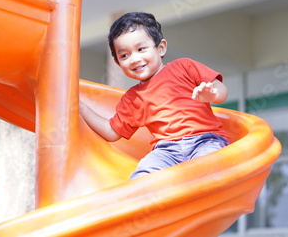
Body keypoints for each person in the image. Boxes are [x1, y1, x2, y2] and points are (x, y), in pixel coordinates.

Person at [80, 12, 230, 180]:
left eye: (141, 49)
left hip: (205, 140)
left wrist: (212, 95)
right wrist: (82, 108)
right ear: (117, 63)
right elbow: (111, 131)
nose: (135, 59)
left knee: (207, 168)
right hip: (165, 151)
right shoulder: (132, 99)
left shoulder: (184, 67)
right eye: (125, 55)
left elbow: (220, 89)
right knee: (142, 178)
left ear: (160, 48)